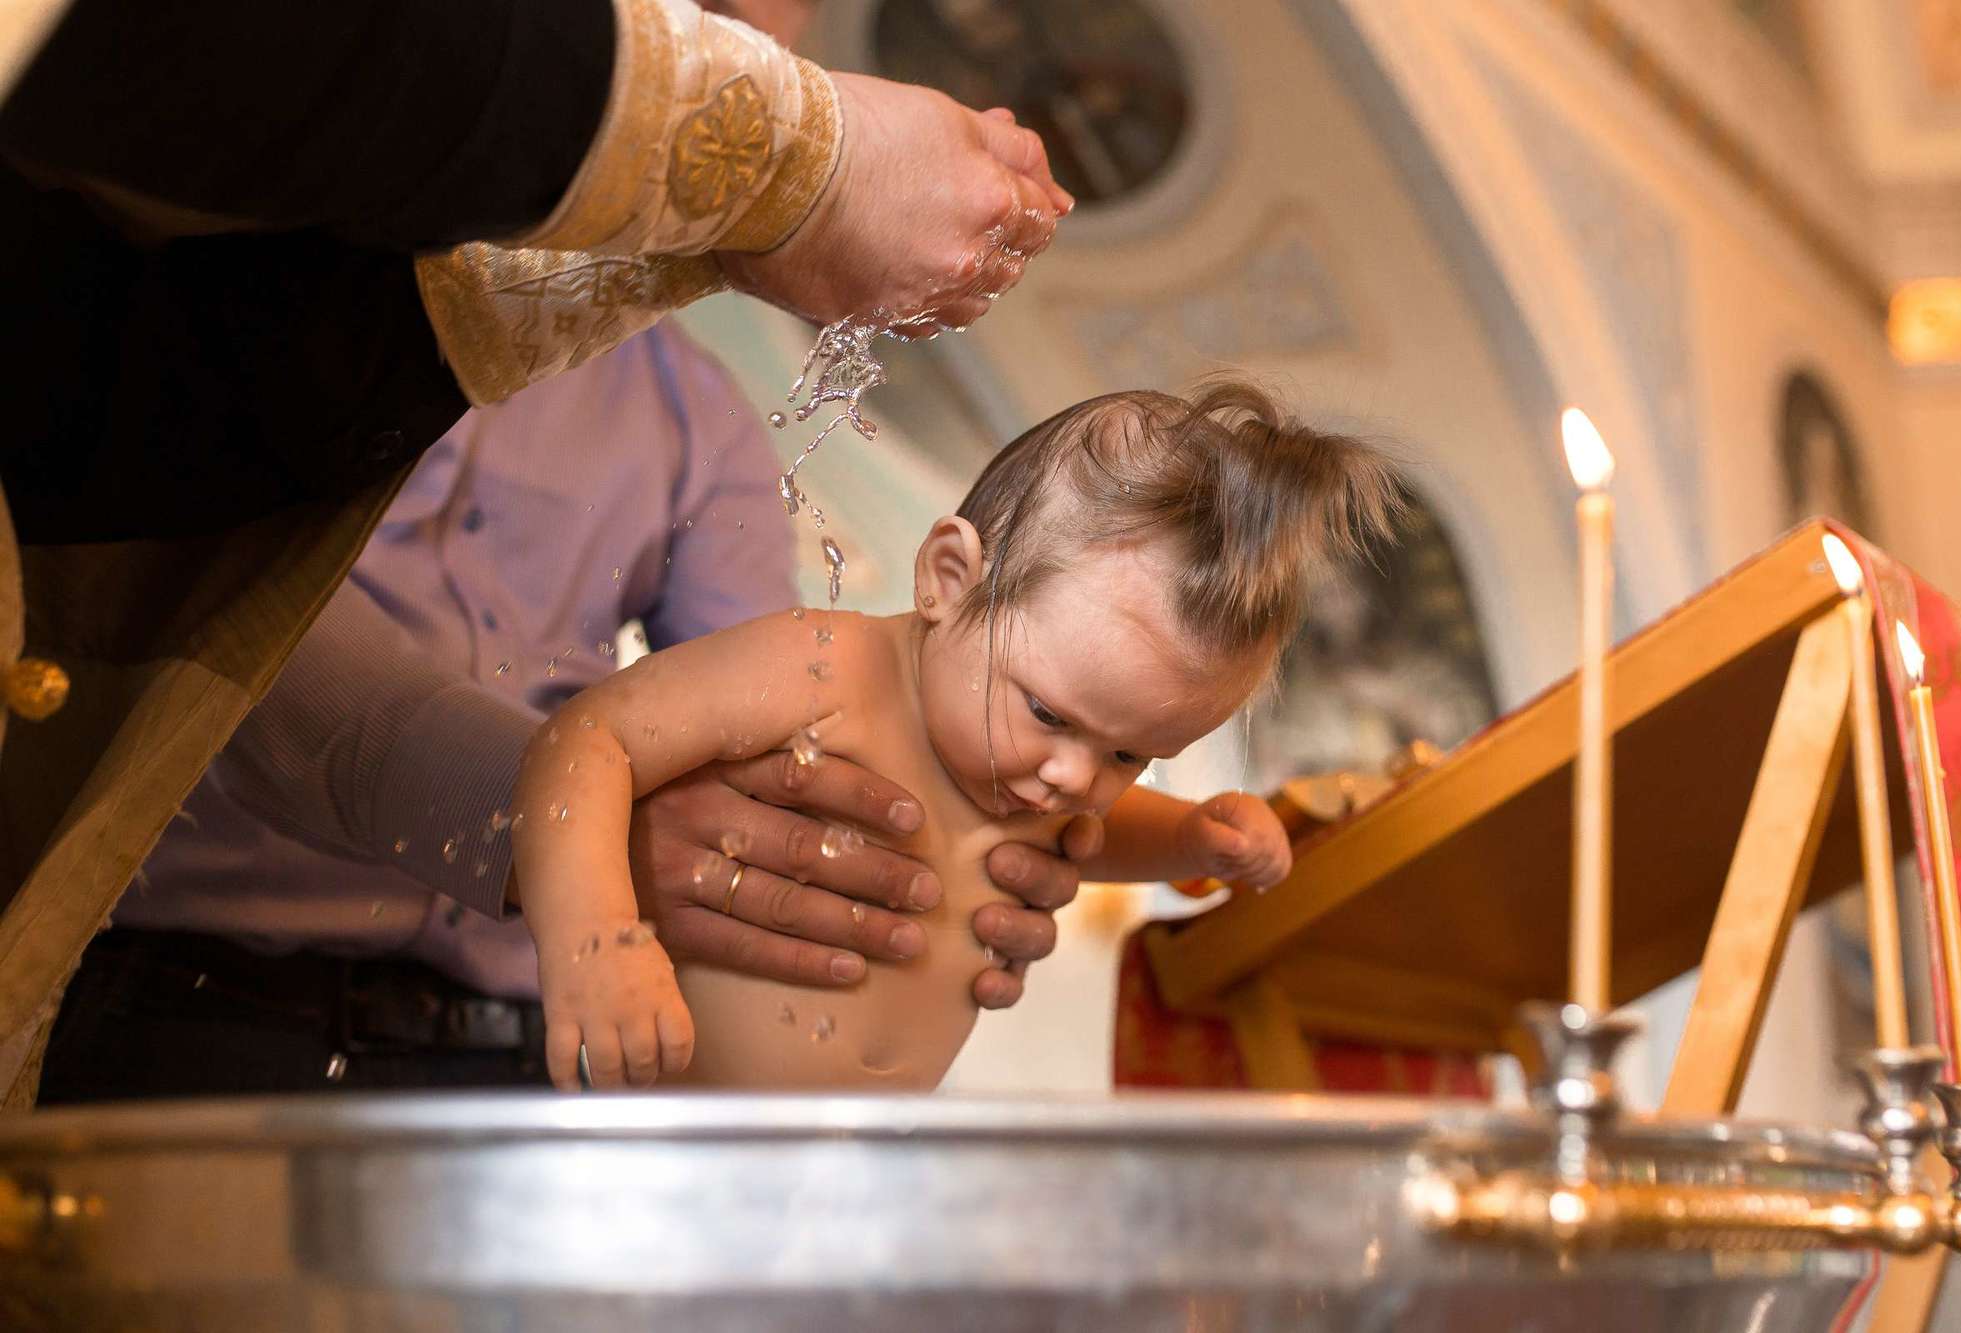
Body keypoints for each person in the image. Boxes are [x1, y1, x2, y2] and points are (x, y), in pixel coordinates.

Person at [0, 0, 1071, 1105]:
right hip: (185, 989)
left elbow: (770, 727)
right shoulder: (273, 249)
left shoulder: (692, 418)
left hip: (521, 1039)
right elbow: (156, 571)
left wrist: (957, 813)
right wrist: (797, 161)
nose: (733, 24)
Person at [511, 381, 1400, 1090]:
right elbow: (588, 741)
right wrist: (594, 939)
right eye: (1050, 715)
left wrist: (1187, 837)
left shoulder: (1029, 770)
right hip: (667, 1131)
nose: (1071, 779)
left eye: (1130, 756)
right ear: (950, 580)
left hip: (851, 1179)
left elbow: (1082, 841)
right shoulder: (822, 669)